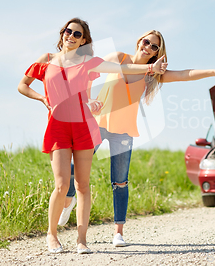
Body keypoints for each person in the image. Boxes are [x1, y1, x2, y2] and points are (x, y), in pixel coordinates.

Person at [58, 29, 215, 247]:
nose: (147, 47)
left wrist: (213, 72)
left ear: (156, 53)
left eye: (153, 46)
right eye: (146, 42)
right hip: (97, 123)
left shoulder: (152, 75)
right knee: (73, 168)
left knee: (120, 181)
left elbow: (185, 74)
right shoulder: (119, 58)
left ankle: (118, 233)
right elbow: (91, 70)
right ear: (139, 41)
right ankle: (68, 200)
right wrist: (87, 98)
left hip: (124, 131)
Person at [18, 18, 167, 254]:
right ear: (62, 33)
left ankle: (81, 241)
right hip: (58, 127)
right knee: (61, 184)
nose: (71, 36)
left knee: (83, 186)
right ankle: (52, 235)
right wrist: (42, 98)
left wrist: (149, 69)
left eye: (77, 34)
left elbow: (122, 69)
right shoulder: (46, 60)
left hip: (84, 127)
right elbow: (22, 85)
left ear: (84, 40)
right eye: (69, 31)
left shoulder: (87, 63)